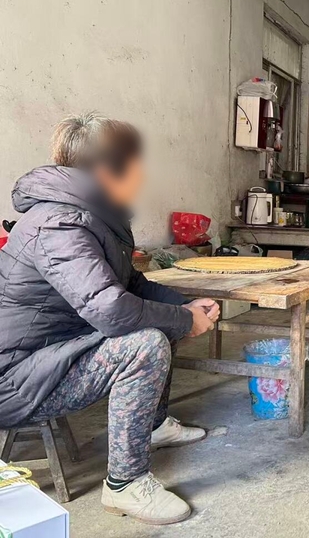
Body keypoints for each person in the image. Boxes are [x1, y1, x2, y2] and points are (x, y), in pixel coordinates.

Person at [0, 113, 218, 524]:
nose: (142, 175)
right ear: (106, 172)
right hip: (16, 377)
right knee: (145, 343)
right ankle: (125, 485)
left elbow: (131, 286)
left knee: (161, 321)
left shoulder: (91, 216)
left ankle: (153, 426)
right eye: (135, 165)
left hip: (52, 356)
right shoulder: (59, 225)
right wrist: (183, 319)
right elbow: (113, 311)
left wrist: (187, 307)